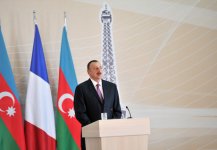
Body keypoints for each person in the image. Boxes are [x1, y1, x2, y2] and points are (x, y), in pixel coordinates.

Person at [74, 60, 122, 150]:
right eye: (95, 68)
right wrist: (94, 128)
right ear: (88, 72)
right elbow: (80, 113)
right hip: (90, 134)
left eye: (100, 67)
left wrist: (110, 126)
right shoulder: (81, 88)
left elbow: (117, 110)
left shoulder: (112, 87)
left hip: (110, 134)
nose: (99, 70)